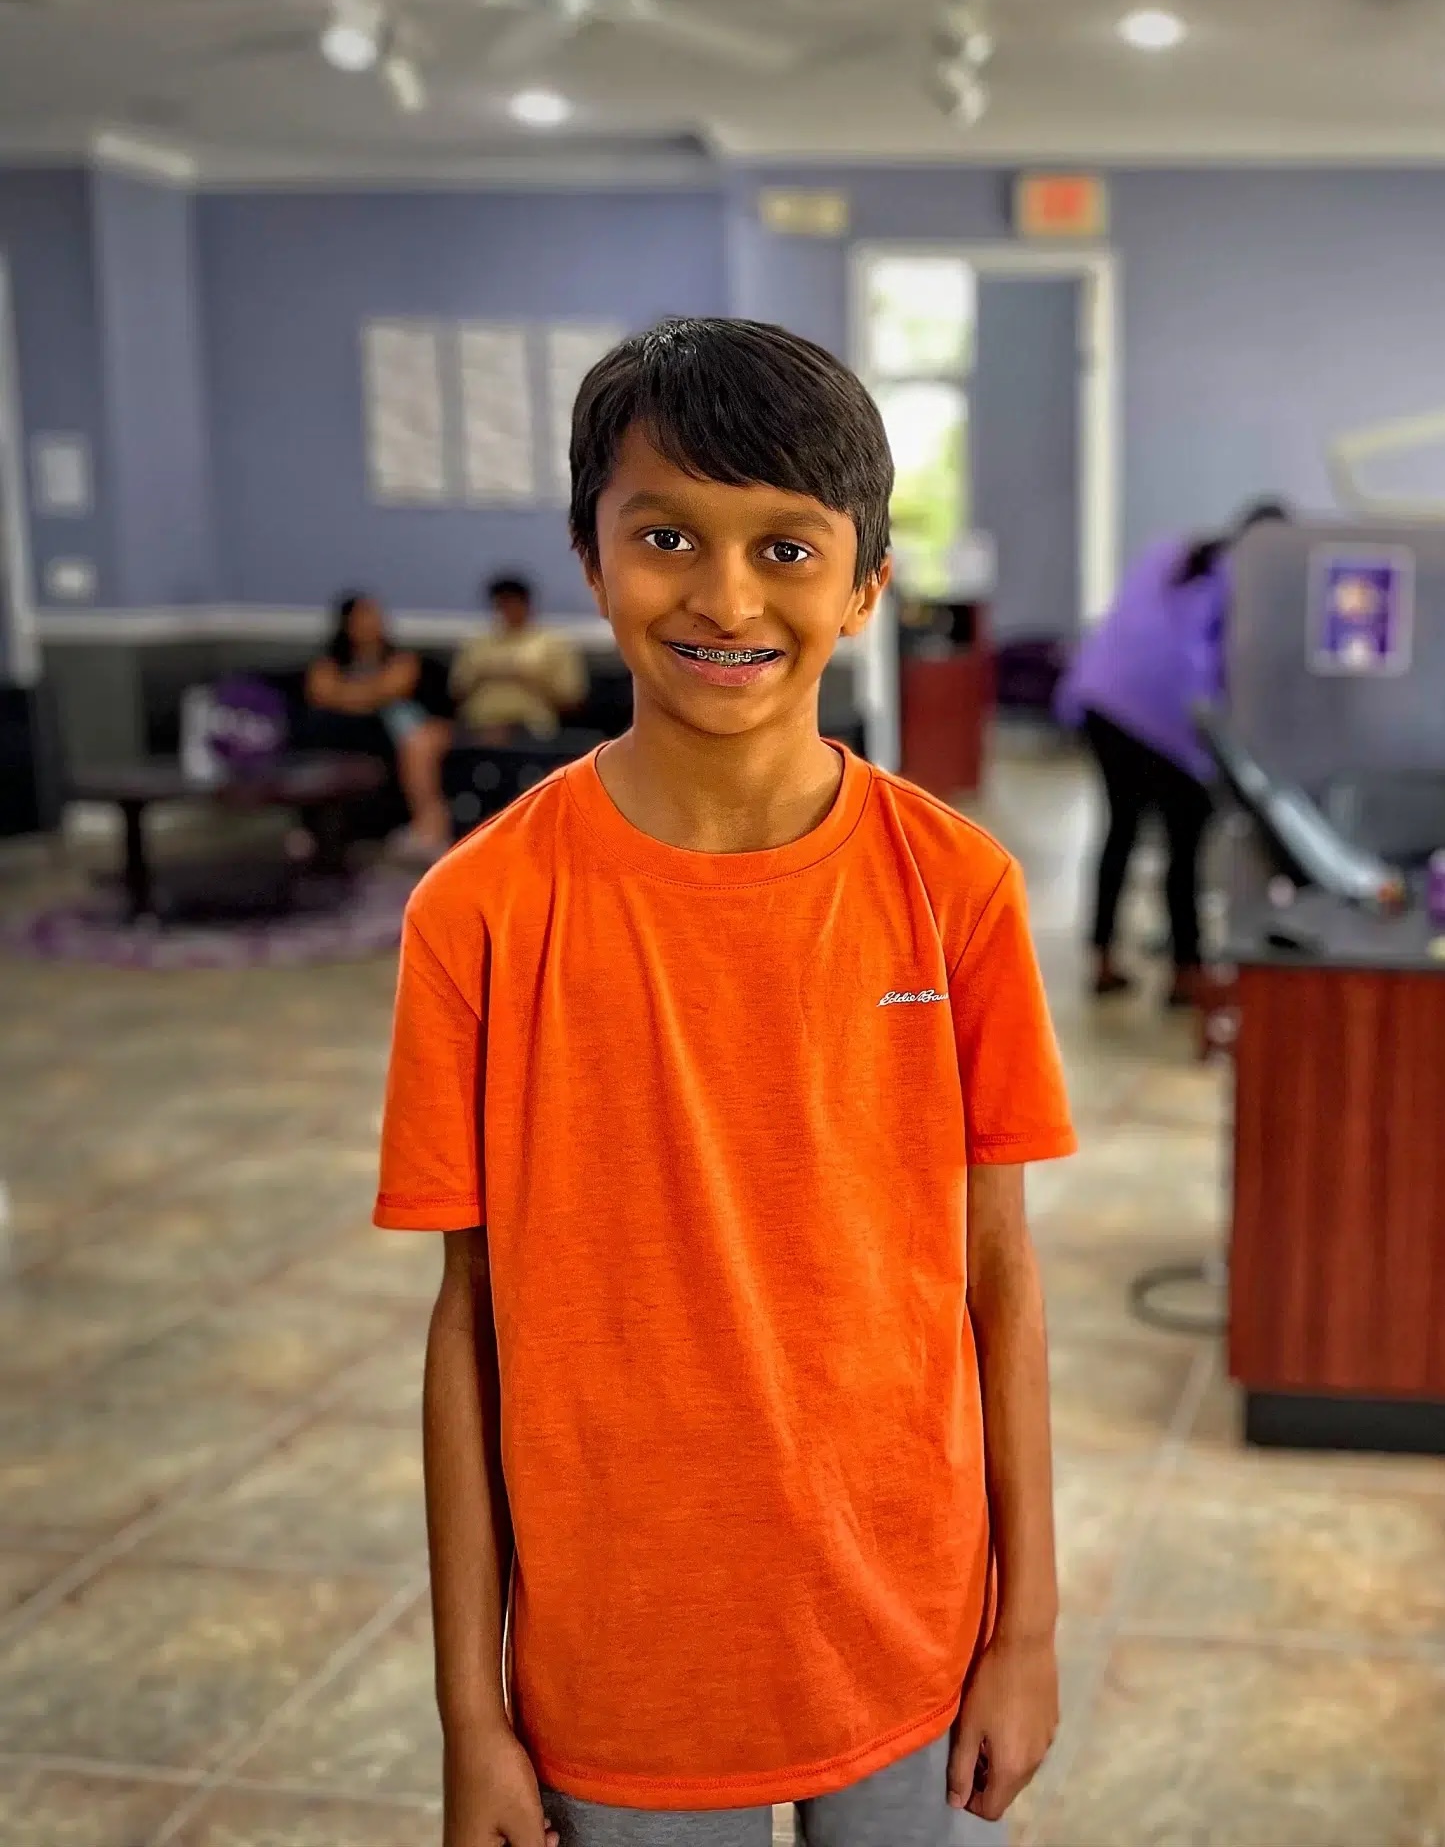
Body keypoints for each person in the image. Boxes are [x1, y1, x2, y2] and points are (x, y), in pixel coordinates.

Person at [374, 319, 1077, 1847]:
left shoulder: (955, 889)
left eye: (787, 547)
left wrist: (1024, 1629)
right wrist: (469, 1718)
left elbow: (999, 1276)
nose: (724, 594)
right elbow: (469, 1323)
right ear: (590, 553)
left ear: (866, 586)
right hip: (620, 1654)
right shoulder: (481, 913)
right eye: (669, 535)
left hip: (907, 1619)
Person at [1055, 498, 1290, 1005]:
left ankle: (1102, 960)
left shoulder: (1173, 552)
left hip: (1103, 700)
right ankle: (1187, 973)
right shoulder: (1248, 583)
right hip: (1167, 718)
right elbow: (1240, 672)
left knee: (1120, 831)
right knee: (1183, 848)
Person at [305, 593, 452, 857]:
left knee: (418, 743)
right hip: (349, 731)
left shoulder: (401, 659)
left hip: (400, 728)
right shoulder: (329, 662)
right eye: (363, 616)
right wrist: (365, 696)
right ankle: (318, 828)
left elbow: (392, 688)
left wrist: (349, 695)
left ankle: (429, 825)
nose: (371, 622)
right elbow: (321, 691)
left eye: (374, 615)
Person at [449, 571, 589, 743]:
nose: (506, 610)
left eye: (512, 603)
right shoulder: (476, 645)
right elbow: (456, 692)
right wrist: (485, 674)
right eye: (501, 604)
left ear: (526, 604)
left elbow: (572, 698)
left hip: (530, 727)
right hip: (476, 725)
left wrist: (530, 678)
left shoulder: (553, 644)